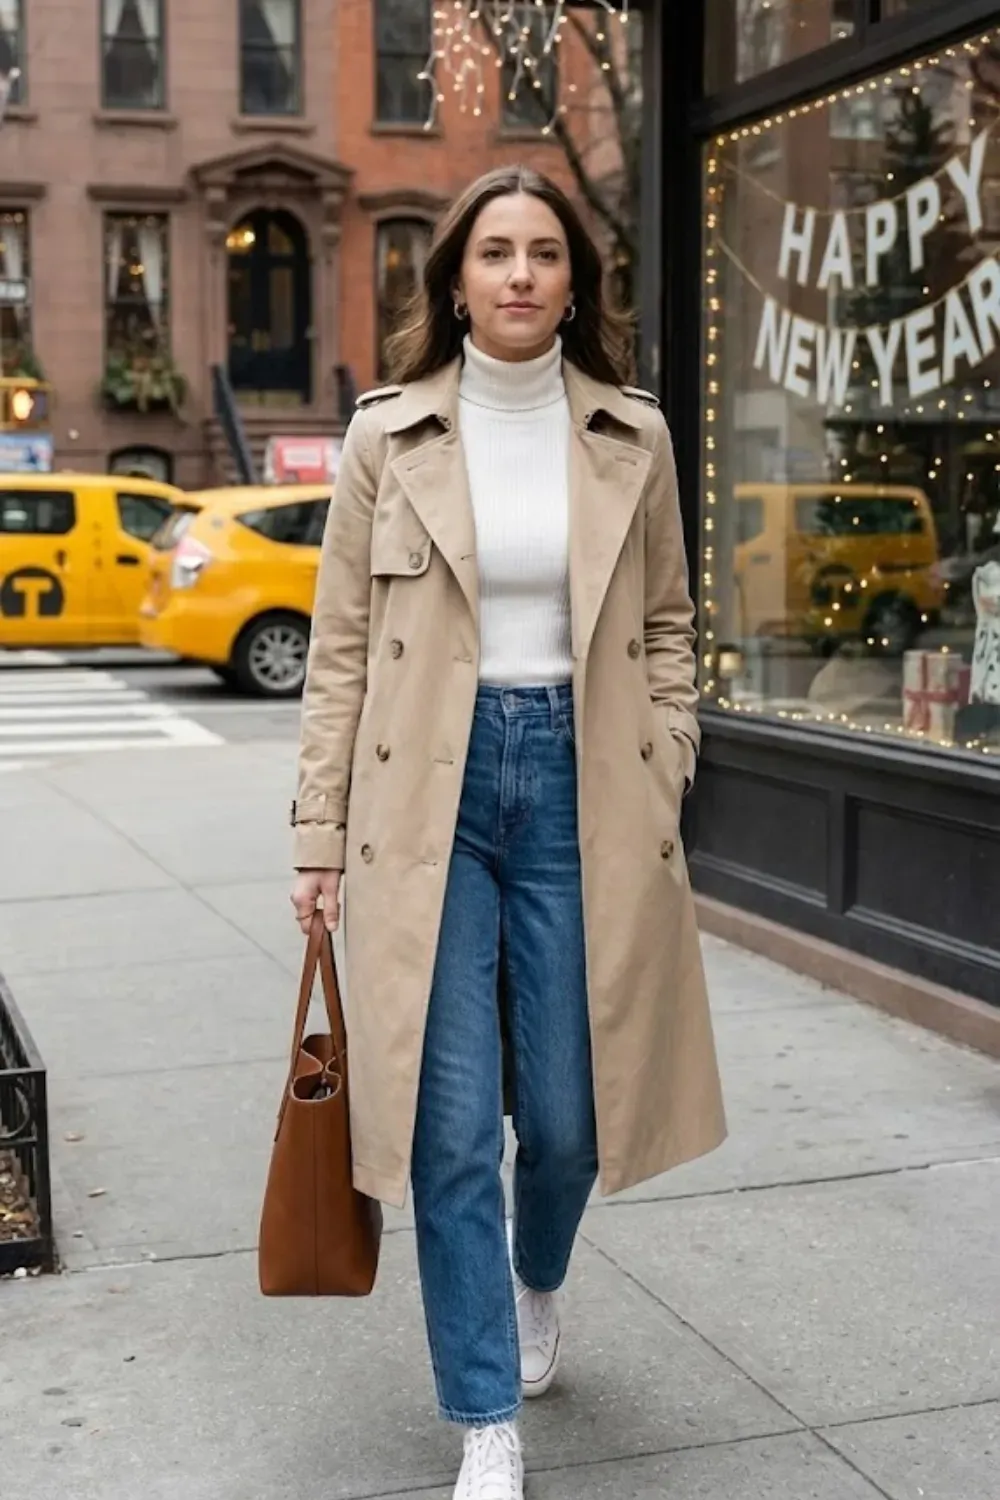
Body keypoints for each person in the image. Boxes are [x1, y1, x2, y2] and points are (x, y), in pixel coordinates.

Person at [290, 164, 726, 1500]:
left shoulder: (632, 437)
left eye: (546, 253)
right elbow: (341, 654)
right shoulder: (389, 437)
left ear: (575, 281)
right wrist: (317, 832)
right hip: (427, 793)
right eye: (497, 253)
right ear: (458, 278)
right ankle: (484, 1411)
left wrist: (668, 757)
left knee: (575, 1119)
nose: (523, 274)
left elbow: (664, 629)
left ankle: (541, 1278)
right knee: (448, 1123)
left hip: (586, 783)